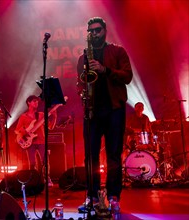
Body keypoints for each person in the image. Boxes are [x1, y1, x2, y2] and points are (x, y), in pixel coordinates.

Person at [77, 17, 133, 214]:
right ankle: (91, 196)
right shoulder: (84, 57)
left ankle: (113, 197)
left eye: (98, 30)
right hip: (91, 112)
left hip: (114, 110)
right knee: (90, 157)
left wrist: (105, 70)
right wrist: (83, 91)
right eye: (91, 31)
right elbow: (80, 83)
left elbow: (127, 76)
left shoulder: (117, 51)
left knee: (113, 156)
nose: (94, 34)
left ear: (105, 31)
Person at [15, 95, 57, 187]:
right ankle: (34, 180)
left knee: (45, 162)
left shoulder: (41, 115)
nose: (36, 103)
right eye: (34, 101)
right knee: (32, 163)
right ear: (28, 103)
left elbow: (51, 127)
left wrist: (54, 117)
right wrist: (27, 130)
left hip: (42, 141)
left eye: (37, 101)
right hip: (30, 142)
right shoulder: (23, 117)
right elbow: (17, 130)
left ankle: (47, 178)